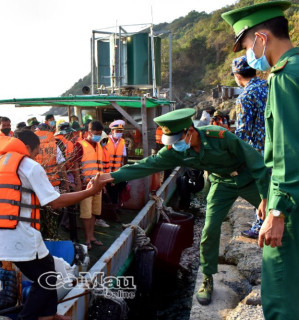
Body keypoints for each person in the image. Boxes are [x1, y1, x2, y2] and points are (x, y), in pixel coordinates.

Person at [99, 108, 270, 305]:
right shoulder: (177, 151)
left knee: (282, 215)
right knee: (209, 229)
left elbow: (255, 161)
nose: (176, 145)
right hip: (222, 184)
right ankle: (207, 278)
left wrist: (265, 197)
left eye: (178, 140)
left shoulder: (221, 137)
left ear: (190, 131)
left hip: (249, 179)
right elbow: (147, 165)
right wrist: (111, 177)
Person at [0, 131, 112, 320]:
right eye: (36, 152)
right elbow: (54, 202)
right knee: (45, 278)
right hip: (20, 237)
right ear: (27, 148)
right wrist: (90, 191)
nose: (36, 157)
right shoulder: (29, 165)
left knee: (48, 270)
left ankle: (49, 314)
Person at [222, 2, 299, 318]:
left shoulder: (283, 78)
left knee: (281, 296)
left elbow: (288, 152)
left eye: (246, 45)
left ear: (262, 39)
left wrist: (277, 210)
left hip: (292, 206)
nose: (247, 54)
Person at [231, 55, 268, 239]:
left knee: (261, 189)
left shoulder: (245, 96)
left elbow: (243, 131)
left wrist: (235, 155)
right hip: (278, 145)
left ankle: (260, 226)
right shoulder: (267, 86)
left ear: (237, 75)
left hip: (260, 150)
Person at [73, 120, 108, 248]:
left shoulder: (99, 146)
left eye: (99, 133)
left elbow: (100, 167)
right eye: (96, 133)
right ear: (88, 132)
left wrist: (103, 184)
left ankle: (92, 237)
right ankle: (88, 239)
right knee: (86, 213)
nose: (98, 136)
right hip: (85, 185)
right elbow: (75, 165)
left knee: (94, 212)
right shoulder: (80, 145)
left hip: (97, 185)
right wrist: (78, 182)